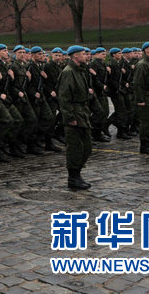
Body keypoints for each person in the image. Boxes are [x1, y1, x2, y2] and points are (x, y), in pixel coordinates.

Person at [56, 45, 92, 190]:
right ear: (75, 56)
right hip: (74, 114)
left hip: (82, 112)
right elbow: (64, 97)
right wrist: (70, 117)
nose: (86, 56)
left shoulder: (80, 71)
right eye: (83, 54)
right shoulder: (68, 72)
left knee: (87, 146)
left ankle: (77, 173)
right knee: (75, 147)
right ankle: (73, 177)